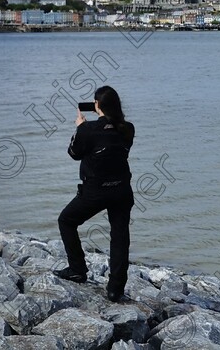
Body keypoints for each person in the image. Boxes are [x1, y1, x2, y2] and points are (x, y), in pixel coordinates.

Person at [53, 85, 135, 302]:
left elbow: (73, 153)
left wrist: (79, 127)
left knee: (66, 220)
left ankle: (77, 269)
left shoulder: (87, 129)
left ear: (96, 105)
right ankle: (115, 289)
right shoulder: (128, 128)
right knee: (120, 236)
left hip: (95, 191)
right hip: (122, 190)